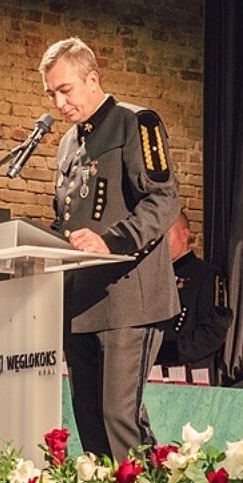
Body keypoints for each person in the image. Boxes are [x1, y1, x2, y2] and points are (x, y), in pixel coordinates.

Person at [41, 37, 180, 457]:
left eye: (65, 89)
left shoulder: (135, 123)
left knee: (119, 416)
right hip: (81, 300)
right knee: (89, 420)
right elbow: (68, 218)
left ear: (92, 79)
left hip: (128, 298)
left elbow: (163, 200)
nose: (59, 103)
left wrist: (111, 241)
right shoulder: (68, 143)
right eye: (51, 94)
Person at [156, 211, 232, 384]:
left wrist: (169, 351)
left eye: (166, 236)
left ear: (184, 235)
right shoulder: (151, 277)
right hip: (150, 371)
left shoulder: (207, 275)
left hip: (189, 375)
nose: (160, 244)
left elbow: (213, 332)